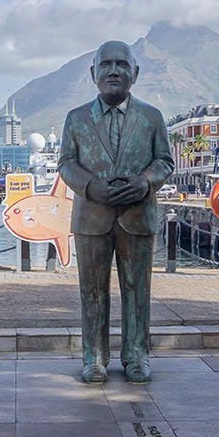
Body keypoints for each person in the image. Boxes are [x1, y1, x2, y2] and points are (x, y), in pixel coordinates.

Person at [59, 40, 175, 384]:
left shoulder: (152, 117)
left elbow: (165, 161)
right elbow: (66, 163)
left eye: (122, 65)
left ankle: (137, 356)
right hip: (91, 217)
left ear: (134, 73)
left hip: (137, 215)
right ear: (93, 73)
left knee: (138, 289)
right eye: (106, 64)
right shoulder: (76, 119)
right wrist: (92, 186)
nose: (114, 71)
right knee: (91, 291)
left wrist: (145, 182)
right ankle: (93, 357)